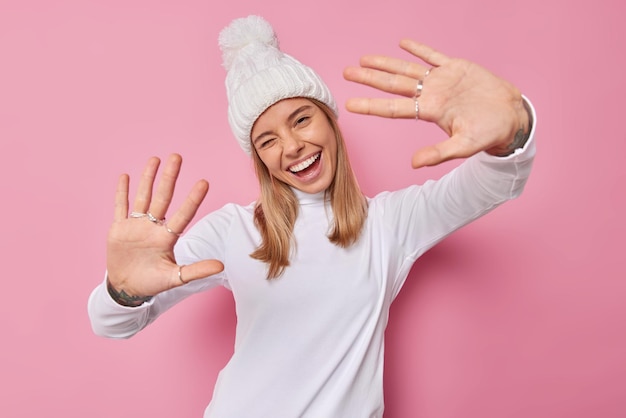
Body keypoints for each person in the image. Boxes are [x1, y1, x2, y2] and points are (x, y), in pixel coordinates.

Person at [88, 15, 536, 418]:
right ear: (260, 159)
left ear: (329, 121)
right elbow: (112, 324)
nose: (291, 146)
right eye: (267, 140)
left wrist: (512, 126)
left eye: (301, 119)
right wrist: (122, 292)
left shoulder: (389, 224)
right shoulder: (232, 231)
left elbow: (495, 183)